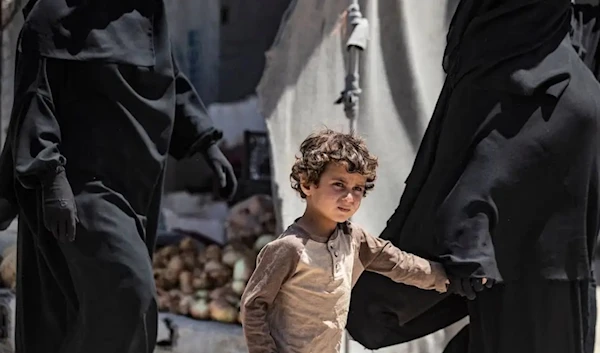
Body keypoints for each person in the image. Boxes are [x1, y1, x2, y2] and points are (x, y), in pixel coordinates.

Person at [346, 0, 600, 352]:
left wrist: (465, 238)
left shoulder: (497, 79)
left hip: (512, 290)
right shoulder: (579, 84)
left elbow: (463, 177)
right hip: (563, 288)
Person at [0, 1, 237, 353]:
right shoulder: (50, 15)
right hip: (78, 185)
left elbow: (169, 77)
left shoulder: (144, 11)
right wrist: (51, 177)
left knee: (90, 306)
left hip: (136, 185)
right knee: (129, 292)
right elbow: (36, 100)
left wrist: (206, 142)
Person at [240, 129, 450, 353]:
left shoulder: (355, 240)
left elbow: (402, 264)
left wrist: (451, 278)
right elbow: (253, 306)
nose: (349, 198)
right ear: (307, 183)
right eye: (339, 184)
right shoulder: (289, 248)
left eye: (357, 188)